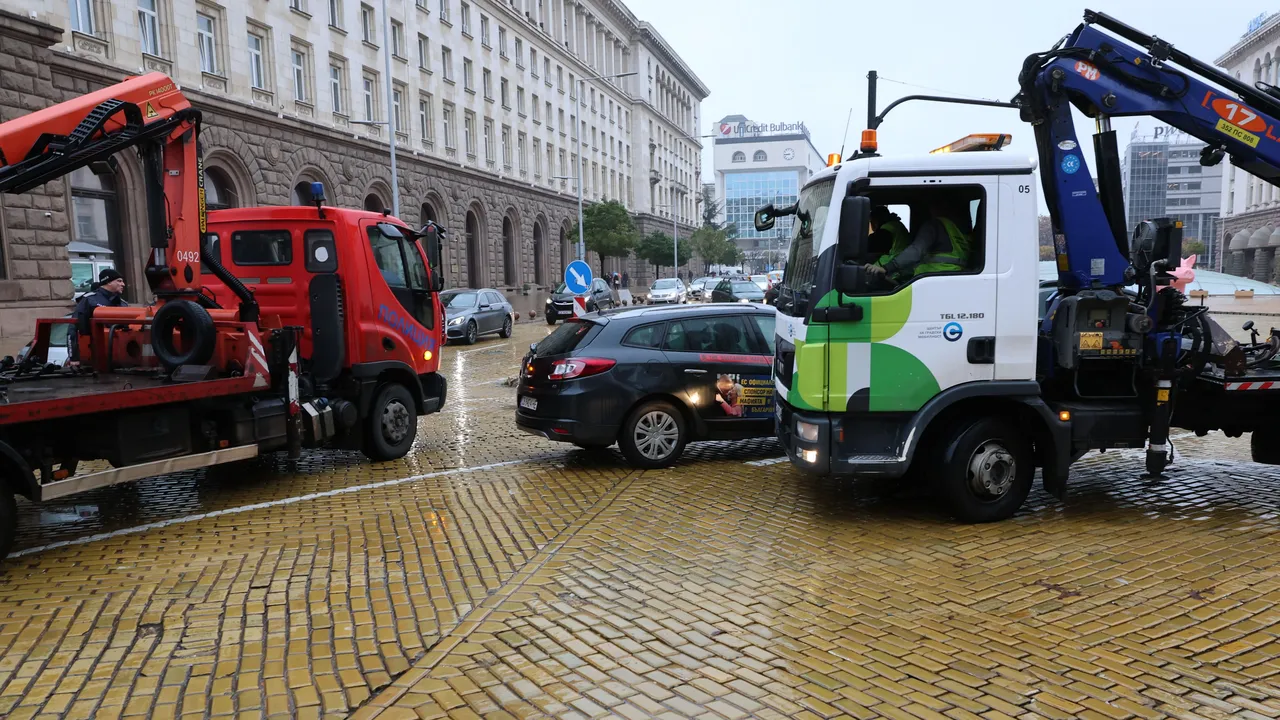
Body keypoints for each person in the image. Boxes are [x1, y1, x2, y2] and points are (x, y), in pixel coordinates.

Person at [865, 201, 971, 283]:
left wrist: (886, 268)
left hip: (930, 280)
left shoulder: (934, 225)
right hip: (952, 278)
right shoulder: (956, 229)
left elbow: (916, 251)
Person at [68, 267, 129, 366]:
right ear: (108, 282)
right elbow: (72, 328)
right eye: (119, 281)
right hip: (93, 358)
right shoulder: (89, 300)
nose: (123, 284)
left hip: (120, 358)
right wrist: (74, 357)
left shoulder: (123, 304)